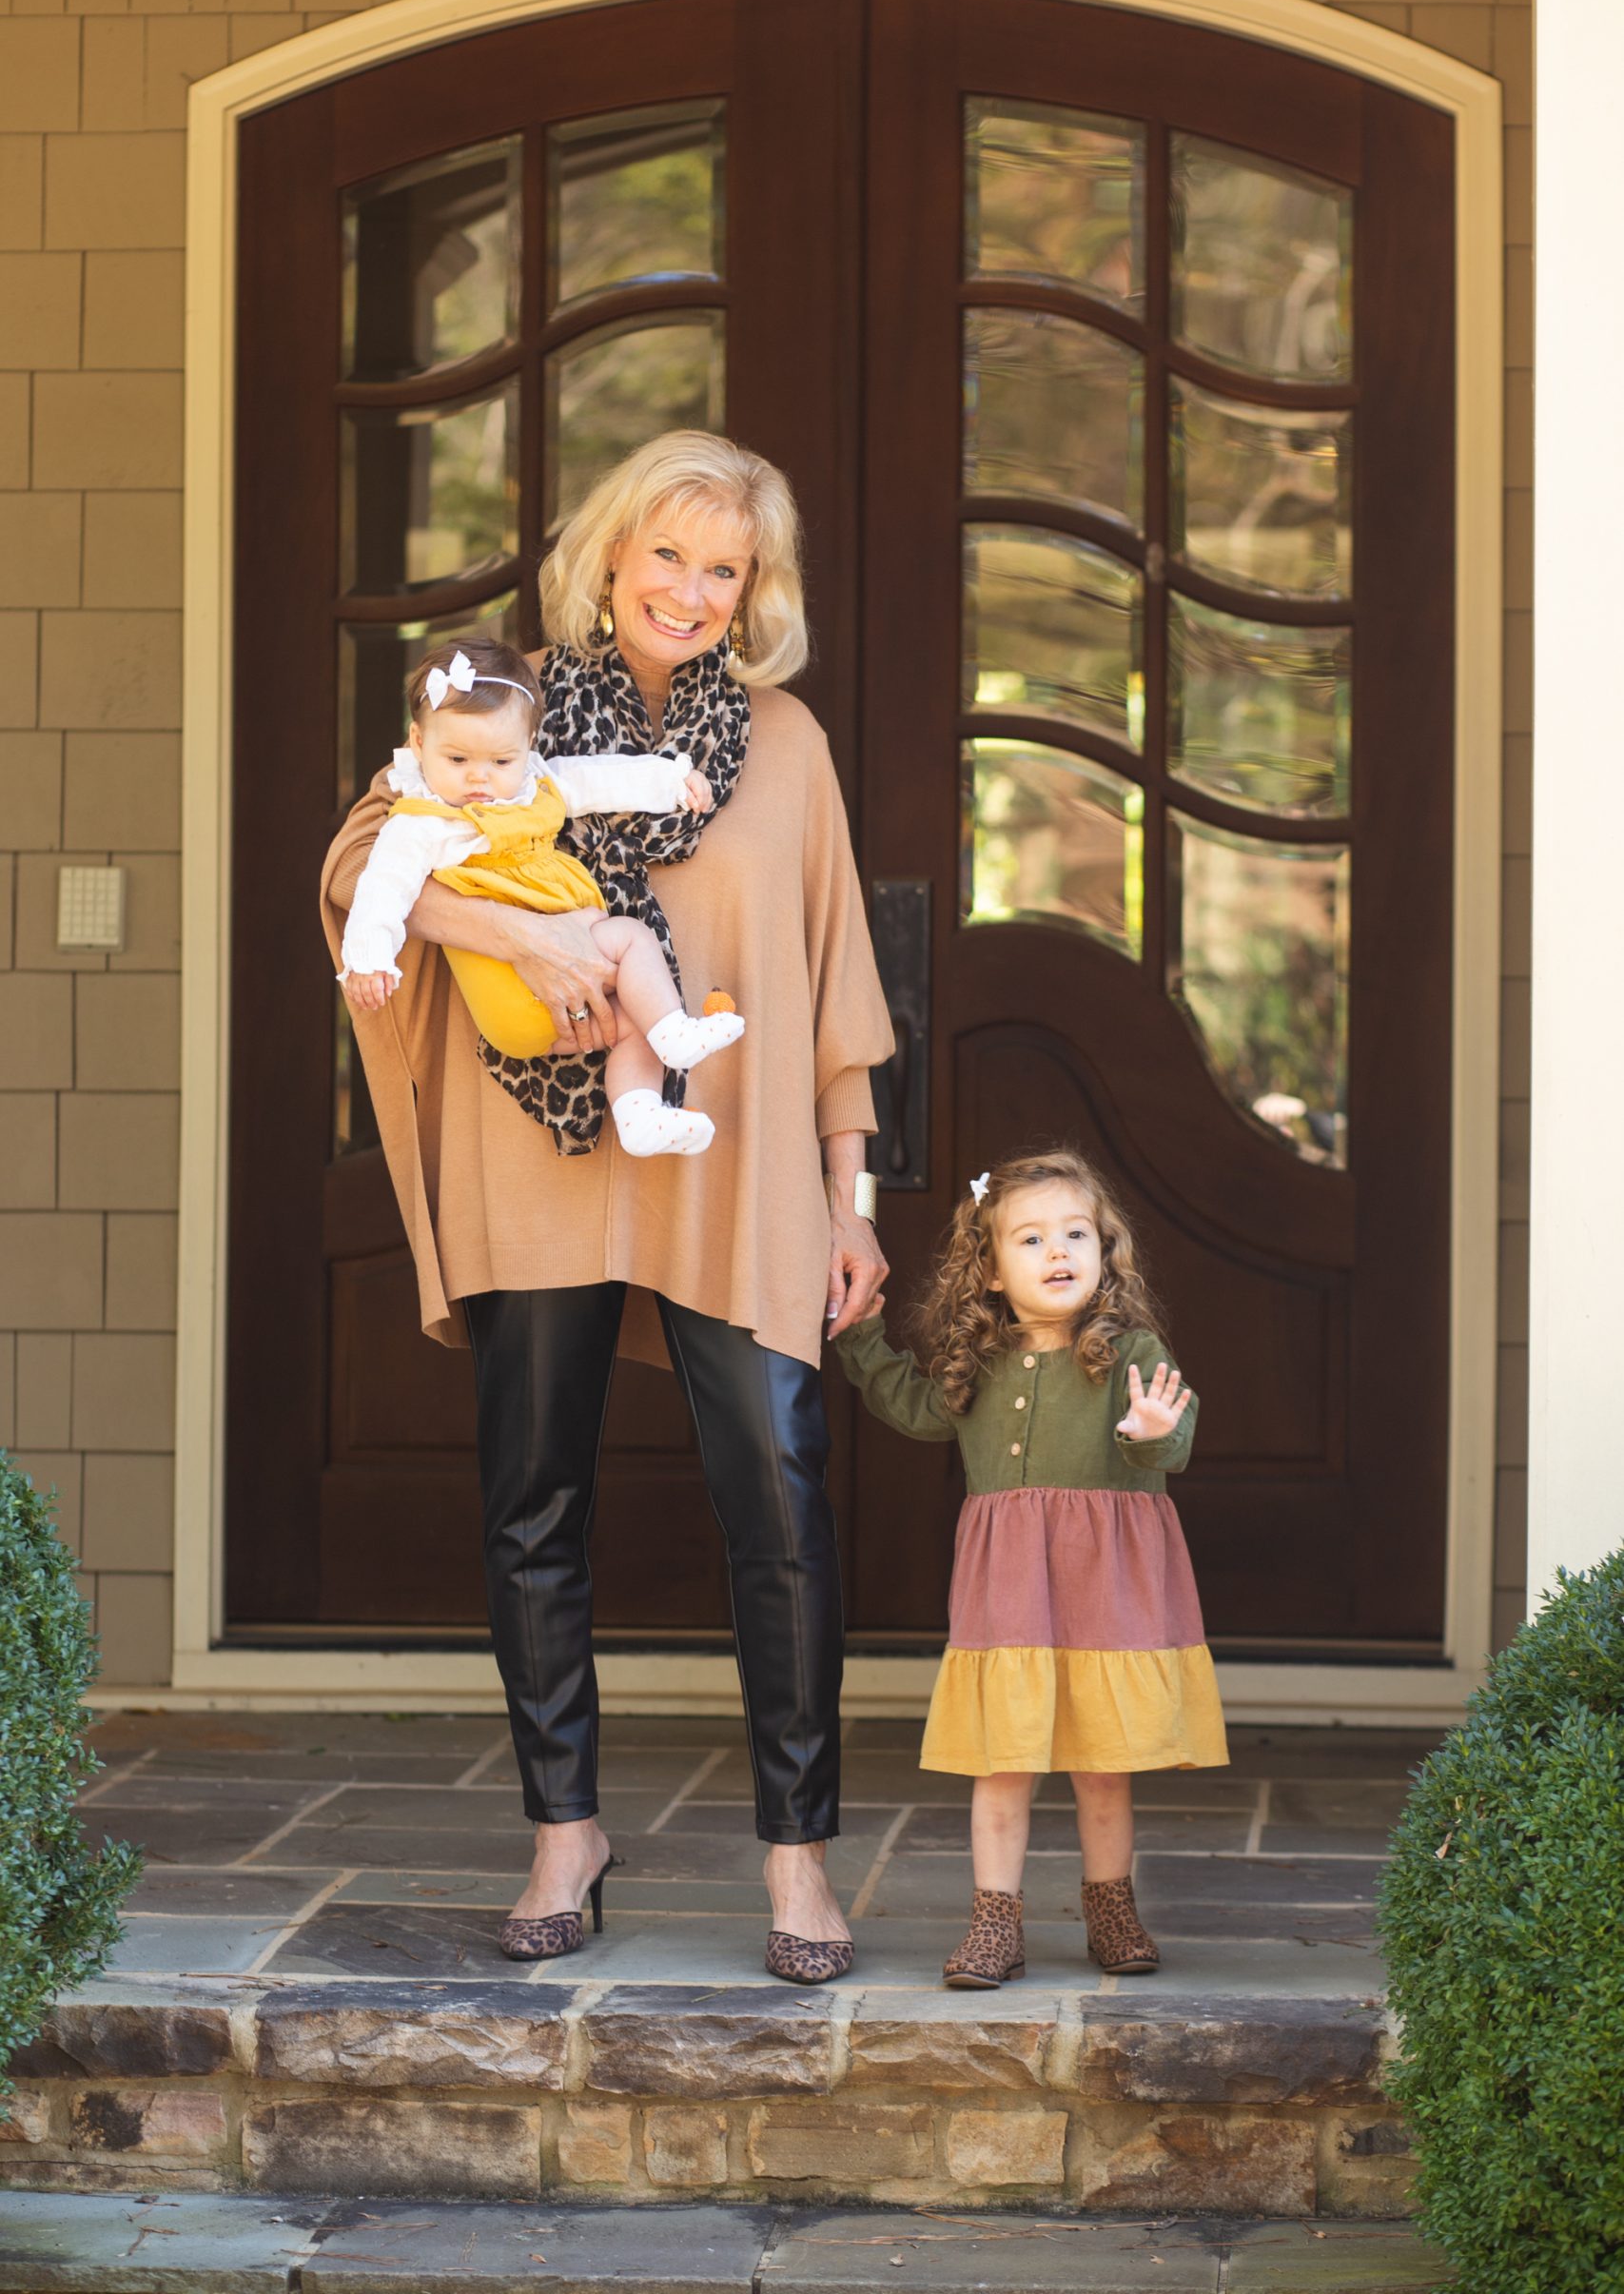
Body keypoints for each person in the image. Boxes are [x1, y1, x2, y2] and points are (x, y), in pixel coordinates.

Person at [320, 430, 893, 1983]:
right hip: (541, 1146)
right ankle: (564, 1832)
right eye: (669, 557)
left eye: (726, 568)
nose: (692, 591)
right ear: (610, 556)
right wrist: (521, 929)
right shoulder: (496, 711)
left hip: (732, 1157)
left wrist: (851, 1200)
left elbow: (838, 981)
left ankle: (797, 1857)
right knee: (534, 1494)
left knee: (776, 1496)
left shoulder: (785, 746)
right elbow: (365, 860)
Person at [834, 1147, 1228, 1986]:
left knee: (1103, 1766)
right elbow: (912, 1407)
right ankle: (993, 1924)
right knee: (1001, 1761)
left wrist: (1152, 1430)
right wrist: (861, 1337)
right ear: (987, 1267)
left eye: (1076, 1234)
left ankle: (1111, 1909)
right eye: (1032, 1239)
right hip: (1009, 1588)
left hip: (1106, 1590)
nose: (1058, 1253)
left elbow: (1176, 1436)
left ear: (1104, 1249)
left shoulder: (1129, 1349)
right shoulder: (978, 1359)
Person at [339, 637, 744, 1158]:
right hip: (507, 989)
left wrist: (673, 780)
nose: (479, 778)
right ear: (418, 743)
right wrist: (369, 958)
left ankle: (639, 1114)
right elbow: (381, 885)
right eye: (457, 757)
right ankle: (676, 1031)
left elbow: (600, 778)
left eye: (501, 761)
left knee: (636, 1023)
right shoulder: (421, 821)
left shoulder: (535, 785)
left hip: (536, 1020)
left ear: (529, 746)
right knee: (633, 940)